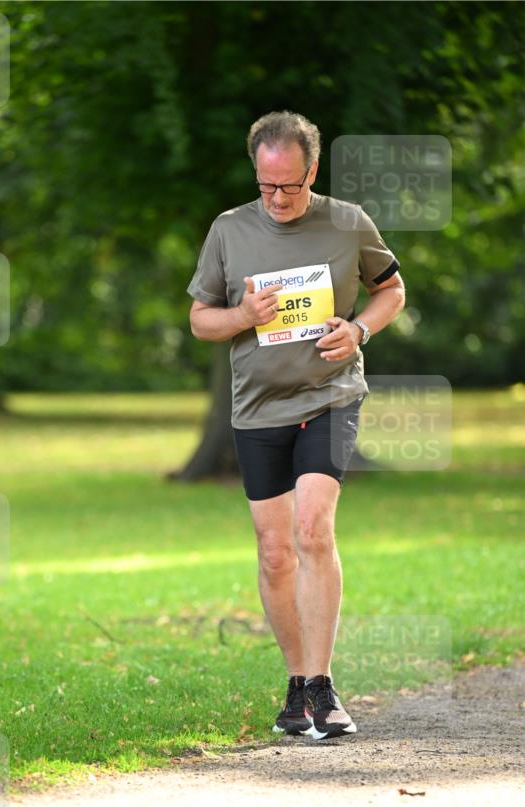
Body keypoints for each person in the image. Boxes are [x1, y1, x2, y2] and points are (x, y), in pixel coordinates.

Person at [187, 110, 405, 740]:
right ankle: (294, 688)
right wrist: (243, 314)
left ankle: (323, 686)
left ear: (313, 171)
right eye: (266, 186)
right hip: (257, 408)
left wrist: (359, 328)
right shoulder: (229, 230)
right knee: (275, 550)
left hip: (329, 396)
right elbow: (202, 320)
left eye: (290, 185)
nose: (278, 199)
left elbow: (392, 291)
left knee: (312, 528)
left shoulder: (346, 222)